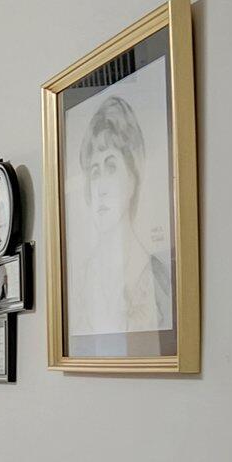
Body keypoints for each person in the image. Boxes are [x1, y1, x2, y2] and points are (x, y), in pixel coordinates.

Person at [73, 93, 171, 337]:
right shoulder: (81, 279)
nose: (101, 188)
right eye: (94, 172)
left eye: (111, 167)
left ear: (132, 177)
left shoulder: (156, 279)